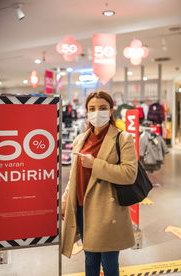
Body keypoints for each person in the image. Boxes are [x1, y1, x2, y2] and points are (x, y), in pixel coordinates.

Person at [61, 91, 138, 276]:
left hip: (106, 210)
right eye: (92, 108)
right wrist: (65, 200)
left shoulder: (123, 138)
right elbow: (74, 176)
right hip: (82, 208)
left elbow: (129, 174)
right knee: (90, 260)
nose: (97, 112)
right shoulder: (80, 139)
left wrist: (95, 164)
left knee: (109, 263)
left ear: (111, 111)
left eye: (103, 108)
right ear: (87, 112)